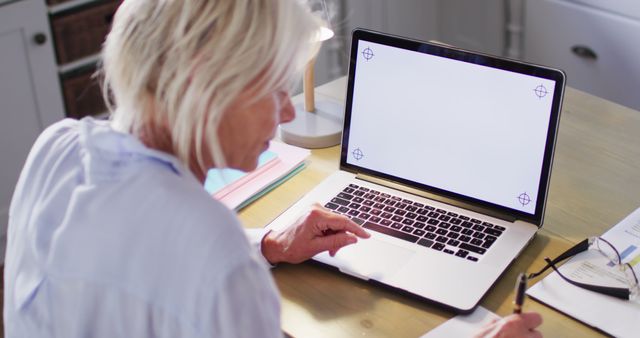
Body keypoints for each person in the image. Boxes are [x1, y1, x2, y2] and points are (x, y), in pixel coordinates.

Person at [3, 1, 543, 337]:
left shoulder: (57, 150)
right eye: (272, 87)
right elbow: (191, 266)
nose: (288, 111)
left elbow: (142, 263)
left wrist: (264, 244)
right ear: (202, 85)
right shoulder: (216, 263)